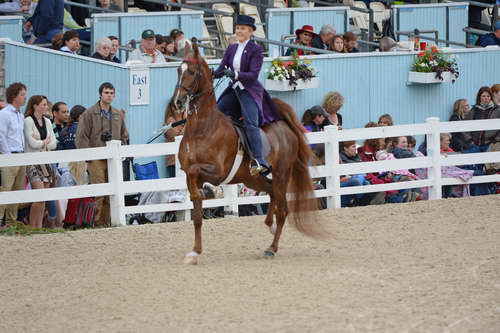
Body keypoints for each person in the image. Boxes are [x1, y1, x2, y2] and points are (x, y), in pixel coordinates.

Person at [213, 15, 280, 175]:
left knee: (250, 123)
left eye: (242, 28)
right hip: (234, 89)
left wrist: (235, 74)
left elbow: (253, 75)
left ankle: (259, 160)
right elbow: (222, 68)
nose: (239, 31)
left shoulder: (256, 50)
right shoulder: (231, 48)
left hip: (249, 90)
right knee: (216, 115)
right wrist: (213, 74)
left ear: (250, 31)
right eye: (237, 28)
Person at [75, 82, 129, 227]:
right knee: (99, 192)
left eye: (111, 93)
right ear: (100, 94)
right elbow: (81, 137)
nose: (109, 95)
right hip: (96, 159)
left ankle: (106, 223)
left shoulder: (118, 114)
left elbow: (124, 135)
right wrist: (88, 157)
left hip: (113, 159)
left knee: (112, 194)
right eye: (106, 92)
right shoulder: (89, 113)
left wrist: (122, 150)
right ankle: (95, 223)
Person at [23, 96, 57, 229]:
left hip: (46, 161)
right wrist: (44, 142)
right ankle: (33, 226)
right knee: (38, 195)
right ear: (35, 106)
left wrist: (41, 142)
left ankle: (39, 227)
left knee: (44, 196)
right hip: (33, 162)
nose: (46, 107)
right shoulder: (28, 121)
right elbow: (31, 143)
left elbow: (54, 143)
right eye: (43, 105)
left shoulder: (48, 122)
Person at [0, 83, 27, 226]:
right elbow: (1, 136)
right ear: (13, 96)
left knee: (17, 191)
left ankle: (11, 221)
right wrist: (8, 155)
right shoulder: (4, 114)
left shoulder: (20, 116)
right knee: (6, 190)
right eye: (22, 94)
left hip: (20, 155)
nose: (25, 97)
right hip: (10, 156)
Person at [60, 105, 87, 185]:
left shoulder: (64, 130)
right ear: (80, 116)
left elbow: (60, 147)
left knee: (66, 193)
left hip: (65, 165)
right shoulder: (83, 129)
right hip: (80, 164)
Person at [470, 86, 499, 151]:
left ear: (491, 97)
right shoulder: (474, 110)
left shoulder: (497, 110)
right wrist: (470, 140)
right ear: (479, 97)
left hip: (491, 144)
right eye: (483, 96)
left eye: (488, 96)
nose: (486, 98)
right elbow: (465, 126)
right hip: (475, 144)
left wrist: (496, 140)